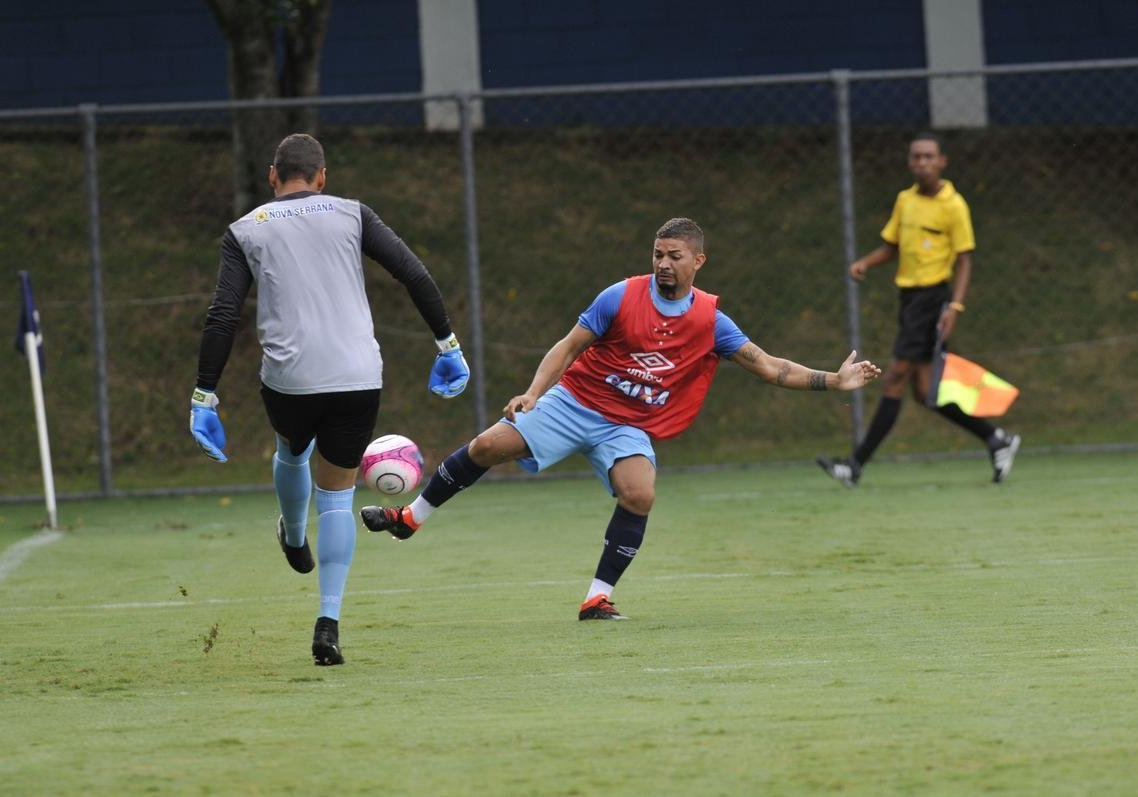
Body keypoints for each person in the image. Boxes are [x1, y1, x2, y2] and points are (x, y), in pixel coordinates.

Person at [360, 218, 881, 620]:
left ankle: (597, 600)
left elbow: (769, 368)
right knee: (488, 447)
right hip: (574, 402)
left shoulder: (710, 321)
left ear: (699, 260)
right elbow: (568, 347)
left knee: (640, 493)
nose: (664, 263)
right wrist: (533, 393)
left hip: (626, 426)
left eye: (675, 256)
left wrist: (835, 381)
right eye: (658, 254)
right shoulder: (622, 295)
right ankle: (410, 518)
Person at [189, 133, 469, 665]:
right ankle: (329, 623)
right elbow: (413, 273)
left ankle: (294, 534)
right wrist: (447, 344)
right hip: (358, 375)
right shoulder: (352, 213)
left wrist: (205, 394)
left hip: (290, 379)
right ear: (322, 176)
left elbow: (223, 314)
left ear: (273, 177)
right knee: (338, 495)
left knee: (291, 453)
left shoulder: (247, 229)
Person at [816, 132, 1020, 488]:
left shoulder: (954, 205)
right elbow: (892, 246)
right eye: (916, 157)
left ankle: (854, 465)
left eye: (929, 157)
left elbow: (965, 259)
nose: (922, 163)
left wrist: (954, 306)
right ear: (911, 162)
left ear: (942, 161)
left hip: (933, 299)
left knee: (895, 377)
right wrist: (865, 262)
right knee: (926, 391)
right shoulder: (904, 201)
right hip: (909, 300)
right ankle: (996, 439)